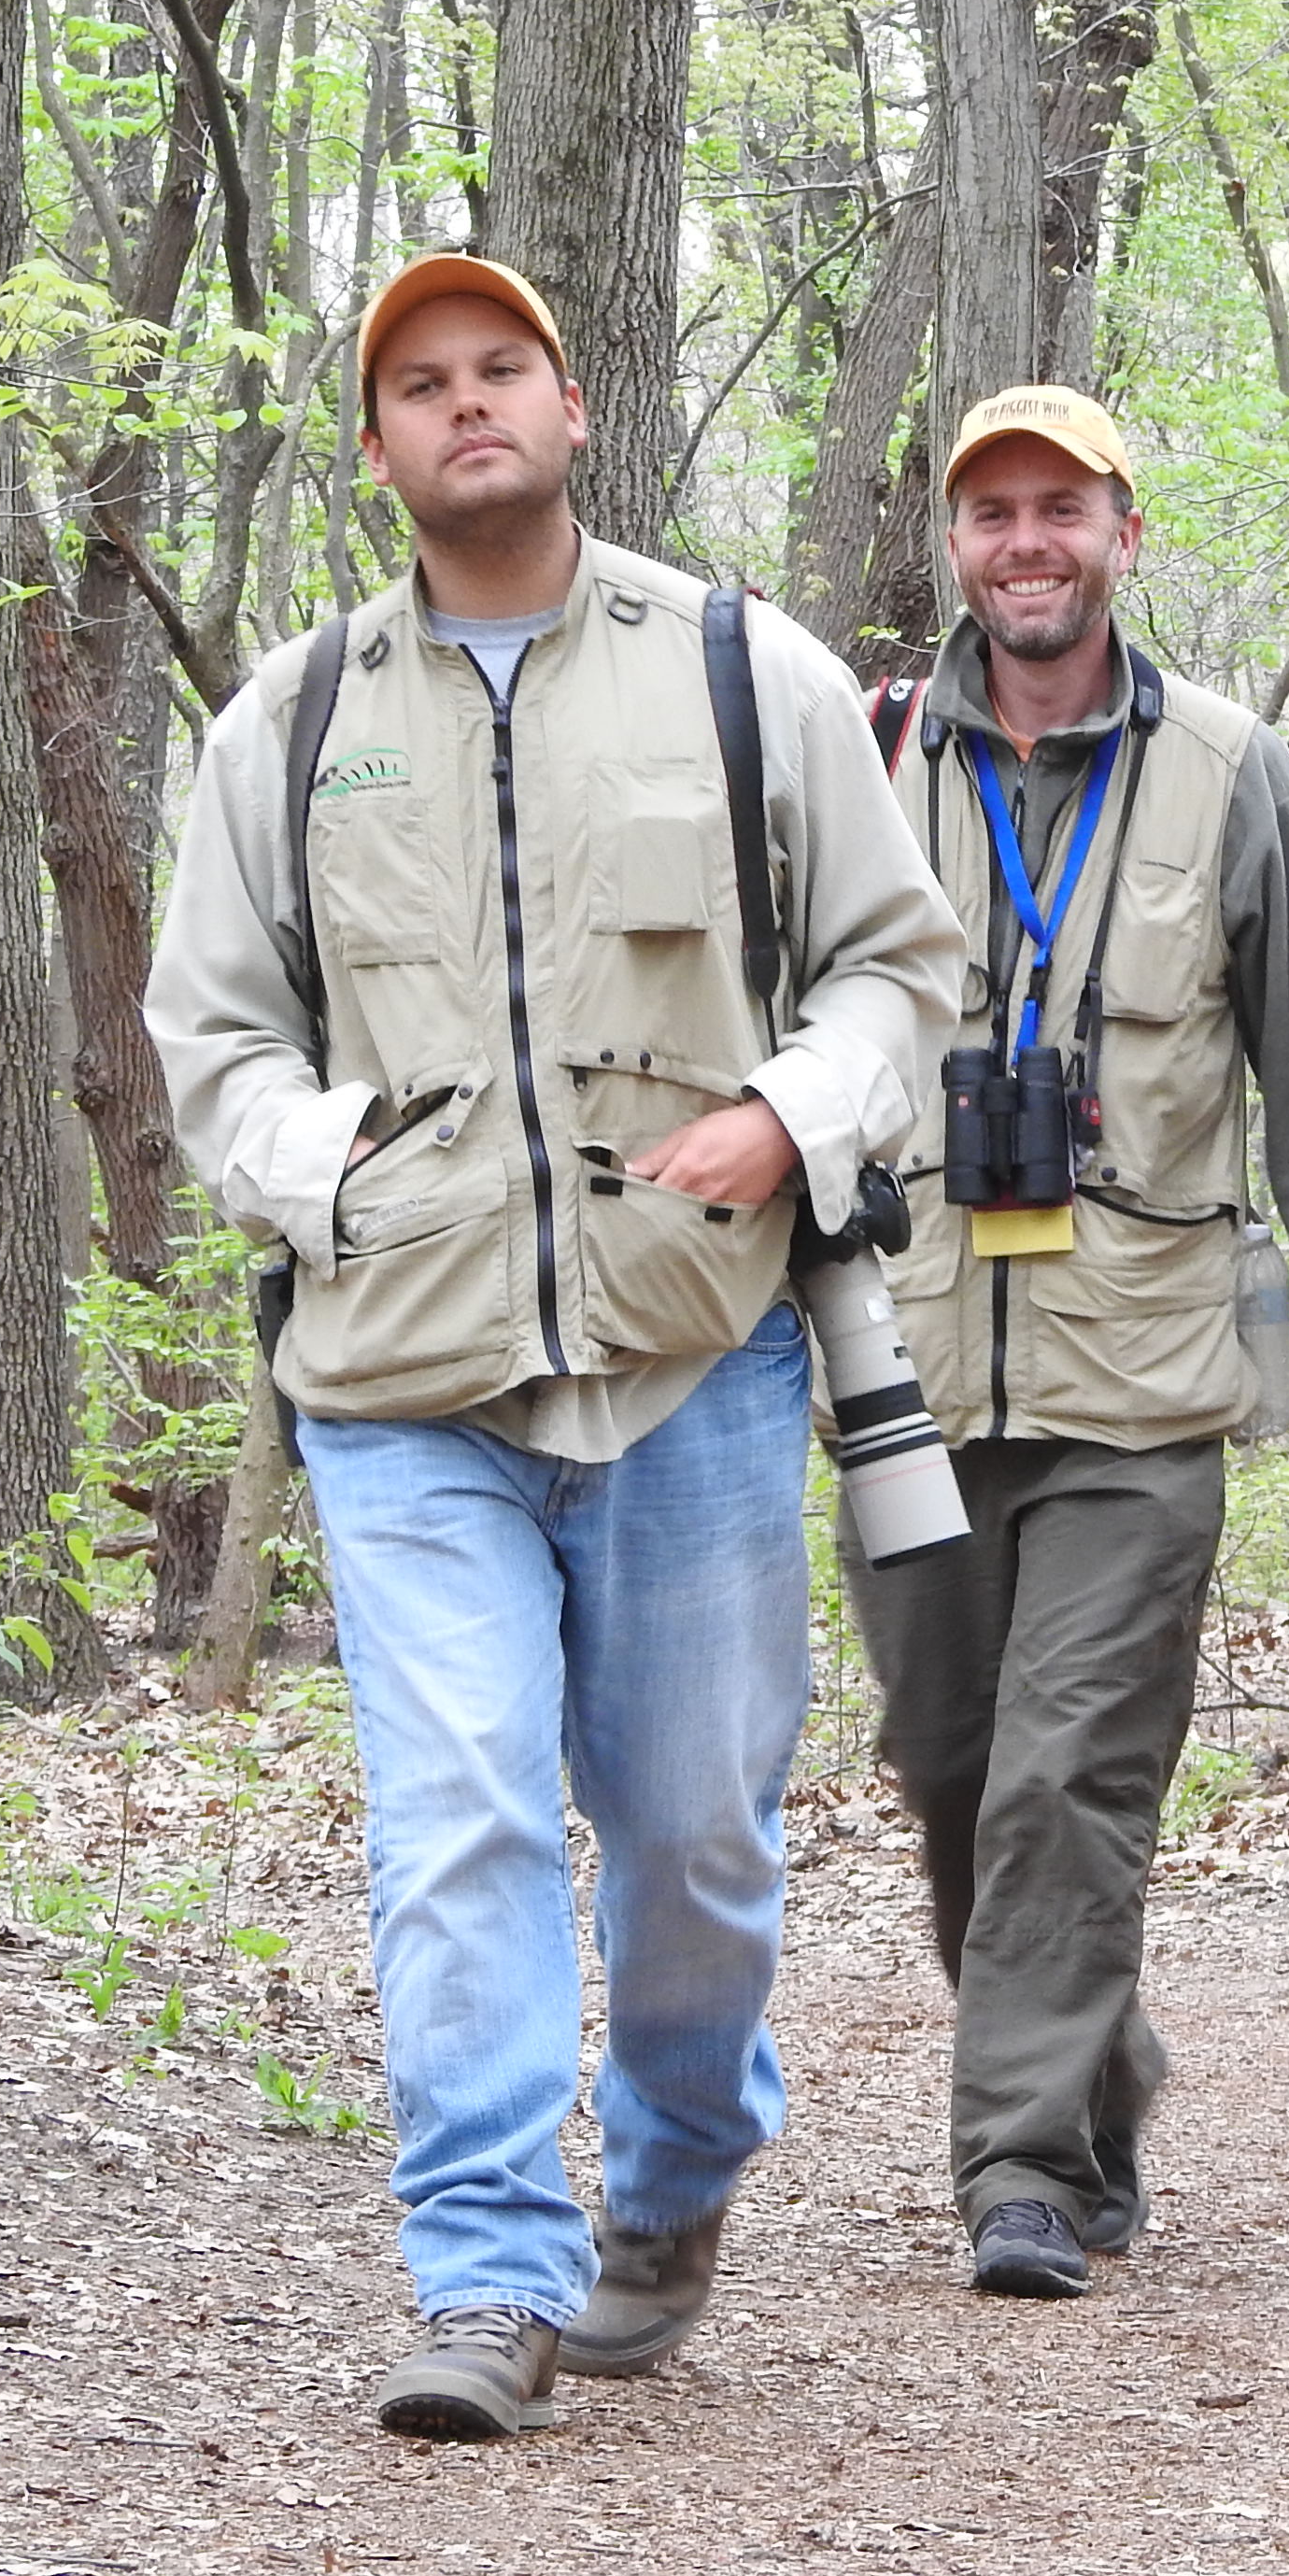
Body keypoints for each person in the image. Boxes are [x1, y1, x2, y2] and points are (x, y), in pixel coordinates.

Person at [149, 254, 962, 2435]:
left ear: (573, 405)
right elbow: (213, 1042)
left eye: (499, 367)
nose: (465, 404)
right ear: (376, 446)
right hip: (401, 1387)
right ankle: (487, 2279)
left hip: (696, 1359)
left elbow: (899, 973)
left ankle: (679, 2171)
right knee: (463, 1825)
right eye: (419, 383)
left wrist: (784, 1118)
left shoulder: (743, 670)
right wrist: (333, 1173)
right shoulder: (291, 722)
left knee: (695, 1843)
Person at [855, 383, 1289, 2302]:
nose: (1027, 544)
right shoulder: (864, 761)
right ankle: (1094, 2074)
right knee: (955, 1773)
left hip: (1142, 1381)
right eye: (993, 513)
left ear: (1124, 536)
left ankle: (1018, 2172)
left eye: (1063, 510)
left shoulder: (1228, 771)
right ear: (956, 544)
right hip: (909, 1383)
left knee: (1068, 1776)